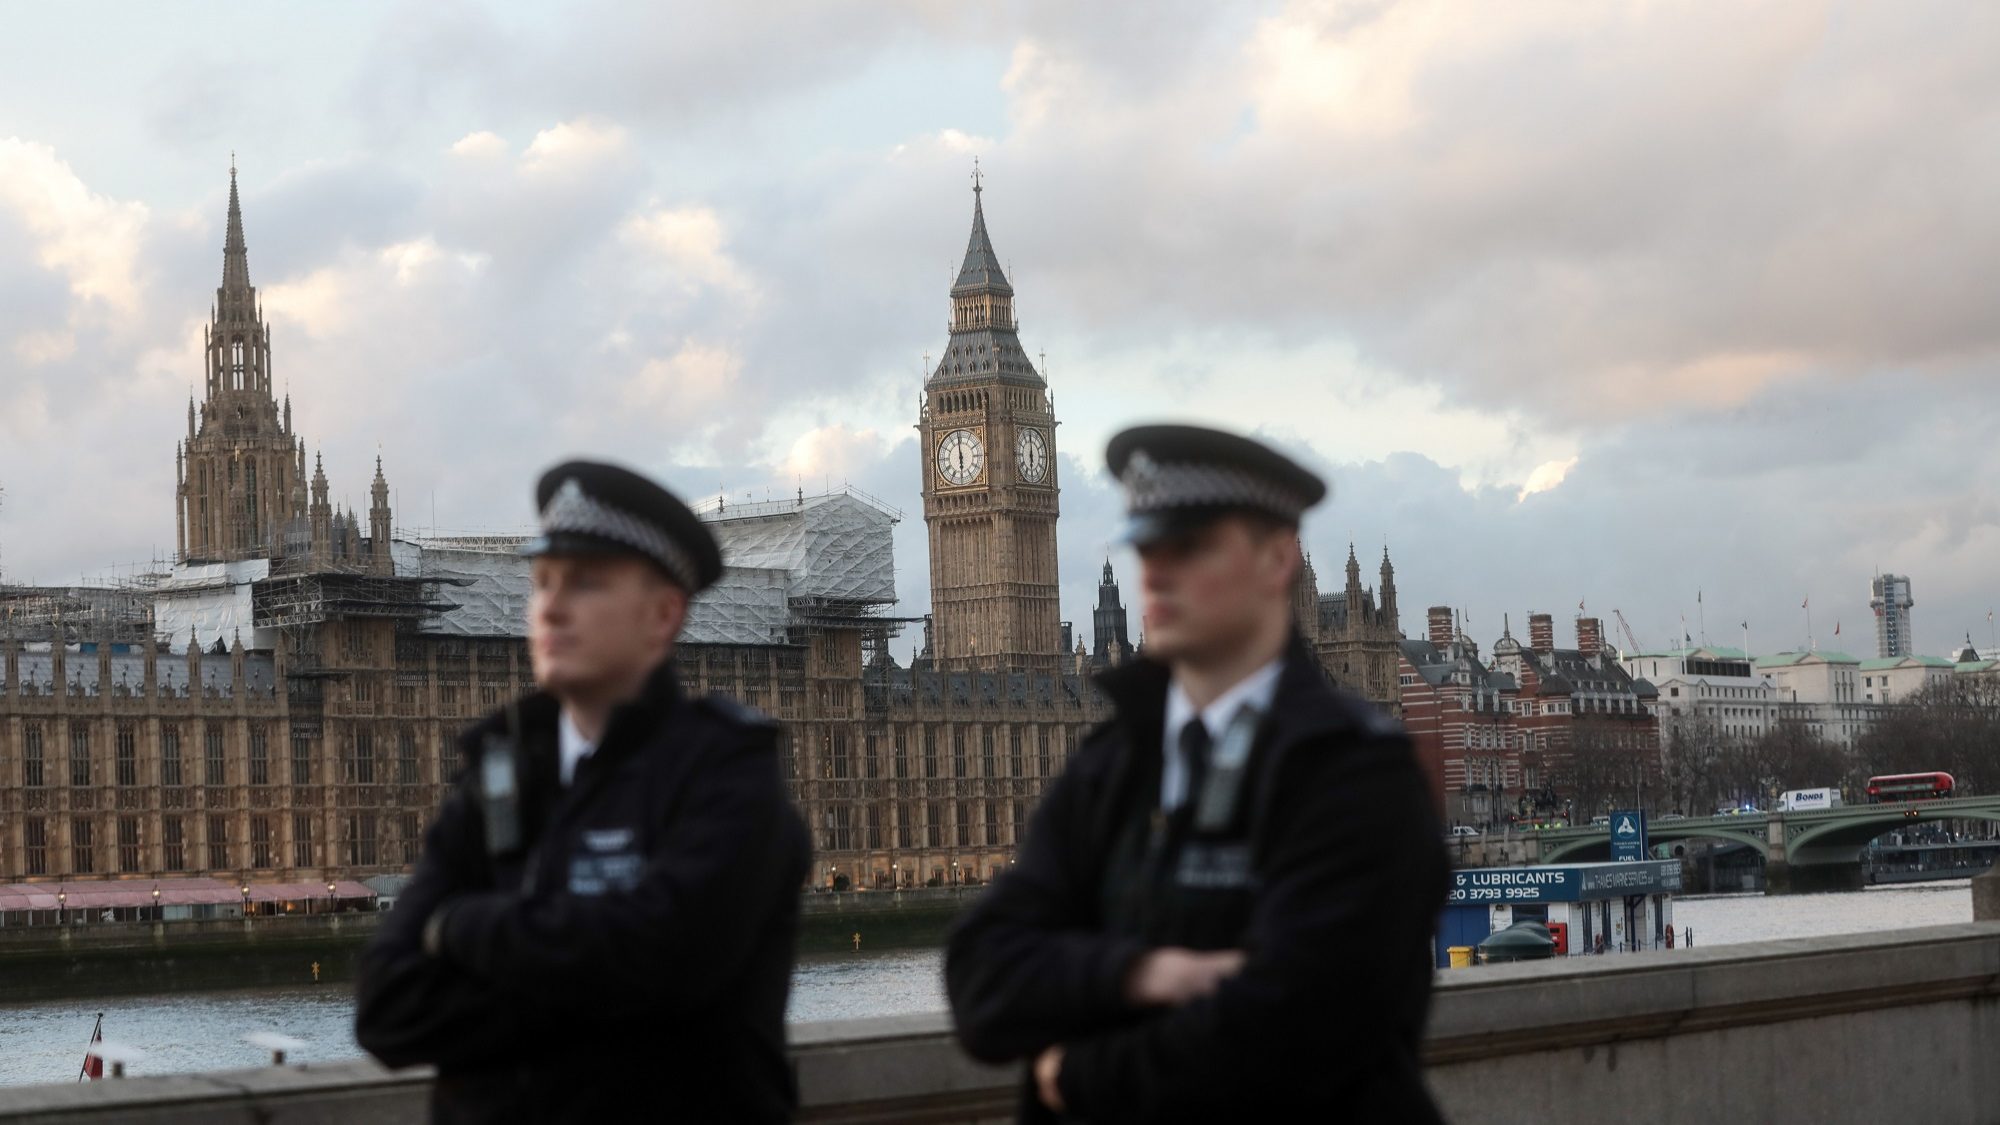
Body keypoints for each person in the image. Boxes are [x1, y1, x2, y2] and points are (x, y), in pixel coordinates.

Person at [946, 424, 1449, 1123]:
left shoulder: (1356, 771)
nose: (1156, 572)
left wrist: (1076, 1072)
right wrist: (1139, 972)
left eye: (1191, 547)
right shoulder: (1112, 761)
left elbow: (1291, 1033)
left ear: (1279, 559)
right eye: (1147, 547)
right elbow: (980, 976)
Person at [355, 461, 811, 1123]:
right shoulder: (495, 775)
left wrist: (457, 928)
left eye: (586, 582)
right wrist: (598, 991)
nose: (554, 606)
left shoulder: (725, 772)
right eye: (542, 582)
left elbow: (661, 961)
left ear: (663, 613)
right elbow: (387, 1008)